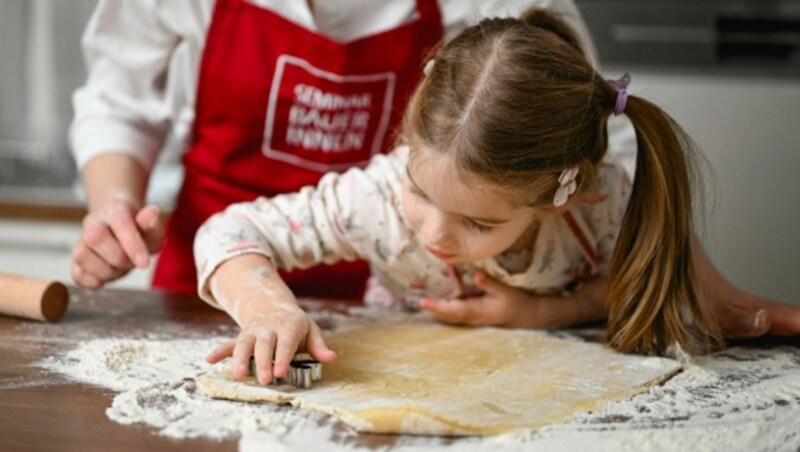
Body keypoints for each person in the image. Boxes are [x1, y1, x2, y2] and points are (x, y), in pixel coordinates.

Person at [195, 8, 800, 384]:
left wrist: (545, 313)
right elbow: (227, 231)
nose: (433, 233)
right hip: (405, 392)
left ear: (563, 199)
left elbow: (648, 279)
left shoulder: (606, 208)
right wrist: (265, 307)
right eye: (419, 190)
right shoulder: (375, 201)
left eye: (478, 224)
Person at [68, 0, 600, 299]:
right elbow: (119, 101)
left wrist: (558, 311)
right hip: (211, 284)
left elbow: (580, 129)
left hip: (401, 294)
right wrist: (115, 206)